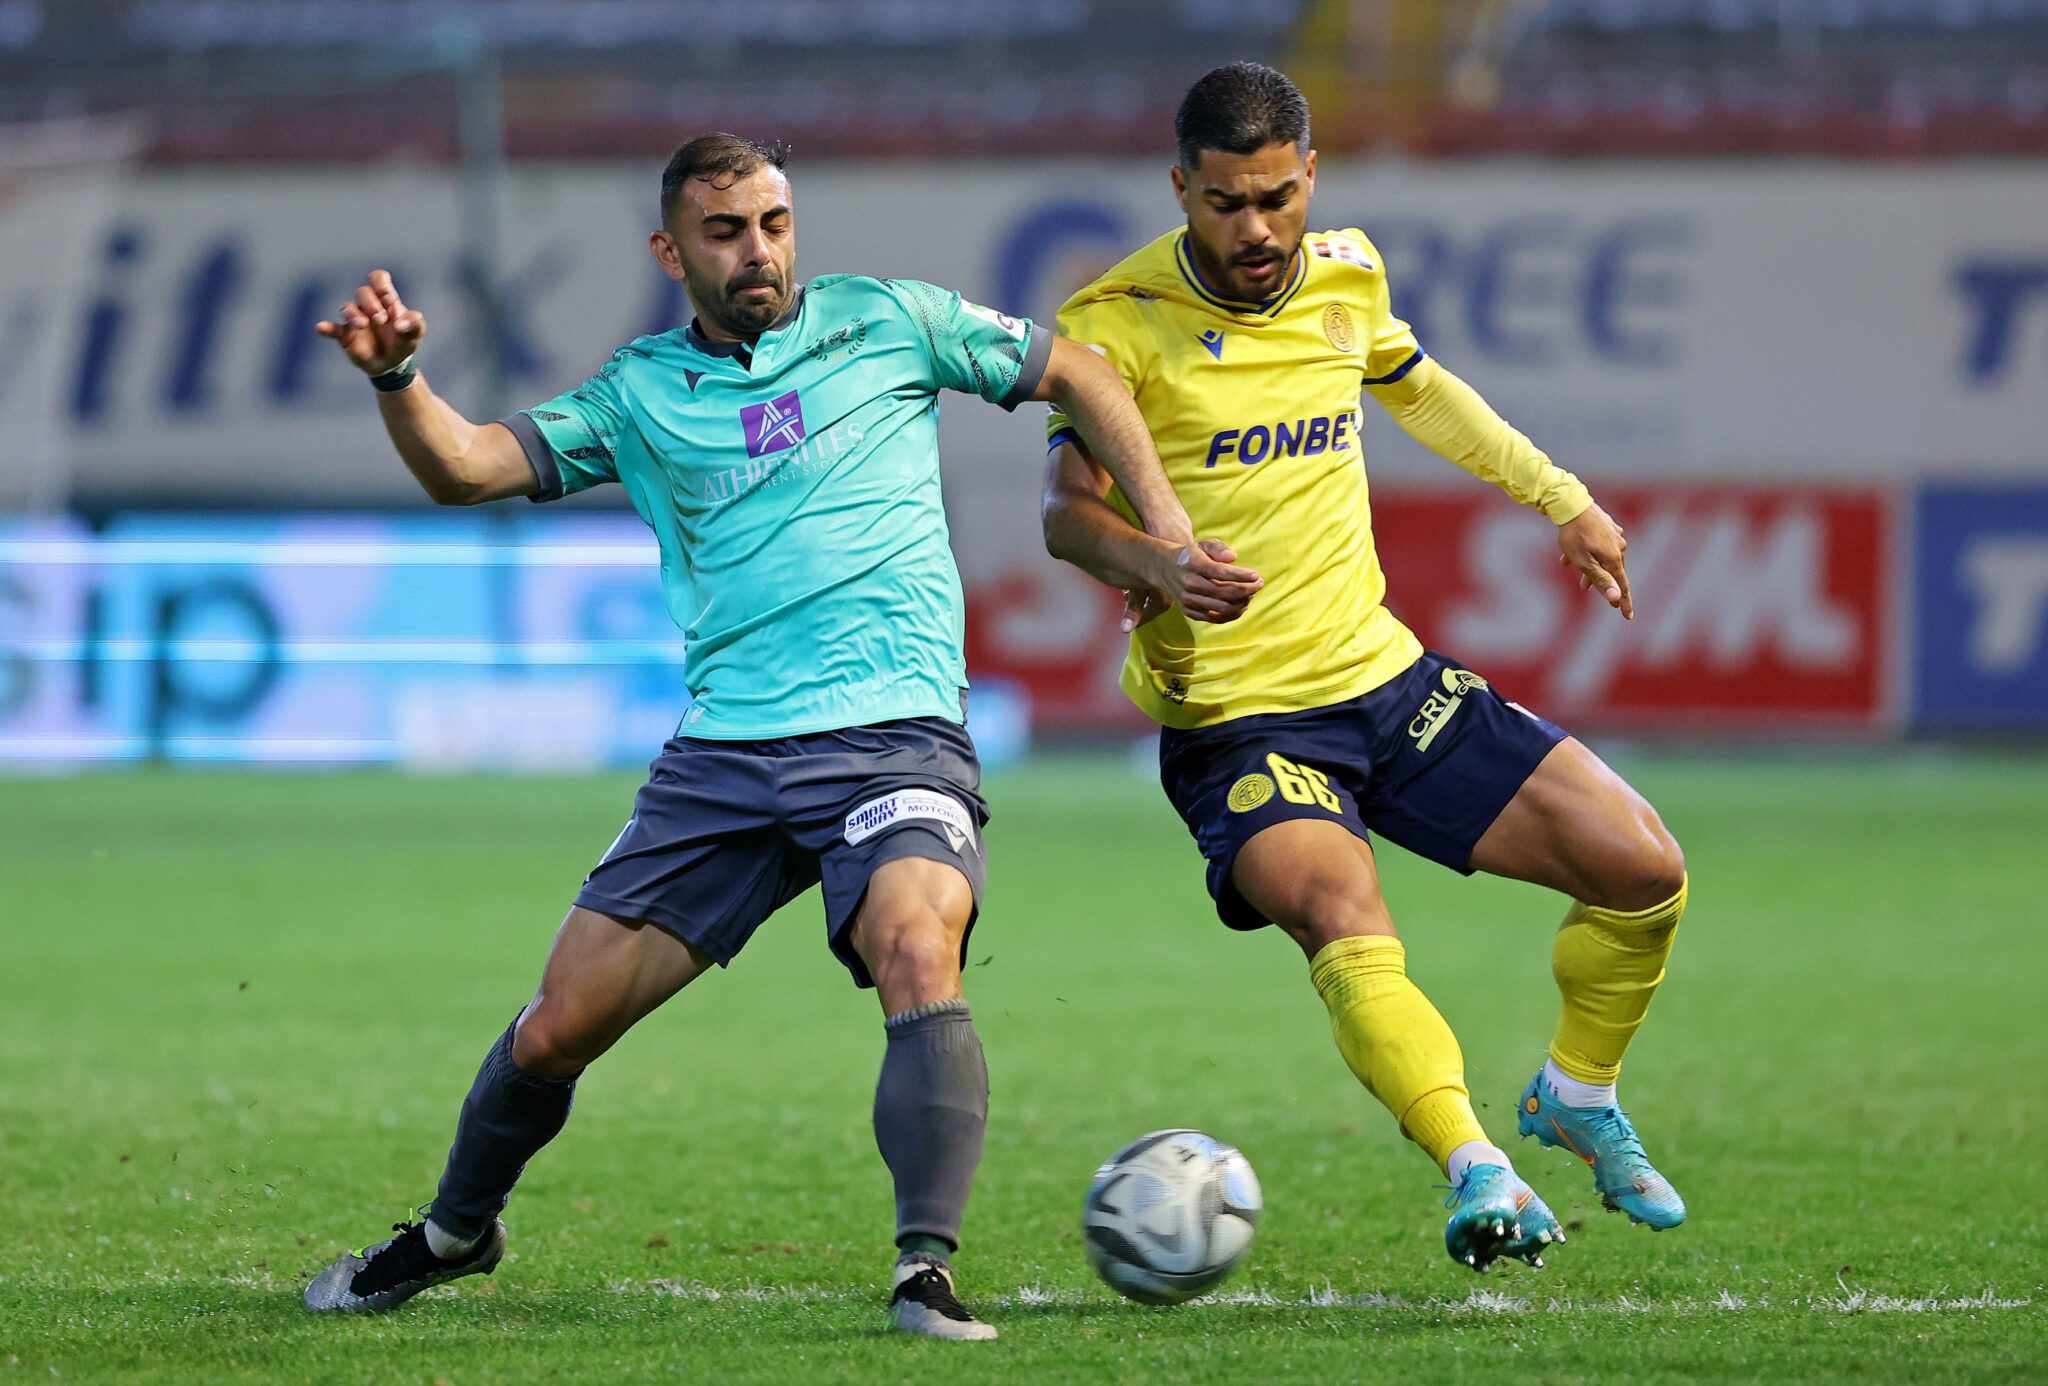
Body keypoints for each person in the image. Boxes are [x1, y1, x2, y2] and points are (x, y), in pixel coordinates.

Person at [302, 132, 1249, 1338]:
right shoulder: (638, 393)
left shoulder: (891, 321)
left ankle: (922, 1271)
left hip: (895, 734)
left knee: (916, 946)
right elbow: (468, 468)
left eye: (773, 223)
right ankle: (453, 1233)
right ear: (670, 253)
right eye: (725, 231)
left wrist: (1164, 542)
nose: (757, 250)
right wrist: (398, 378)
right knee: (556, 1027)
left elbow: (1084, 375)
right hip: (729, 756)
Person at [1041, 64, 1690, 1274]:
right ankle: (1474, 1165)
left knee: (1643, 872)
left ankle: (1575, 1095)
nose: (1254, 229)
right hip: (1238, 721)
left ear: (1309, 175)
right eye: (1224, 204)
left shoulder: (1346, 272)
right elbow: (1062, 514)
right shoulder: (1112, 321)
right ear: (1179, 189)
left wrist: (1560, 498)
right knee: (1343, 918)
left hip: (1383, 681)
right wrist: (1154, 561)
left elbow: (1421, 391)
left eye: (1275, 198)